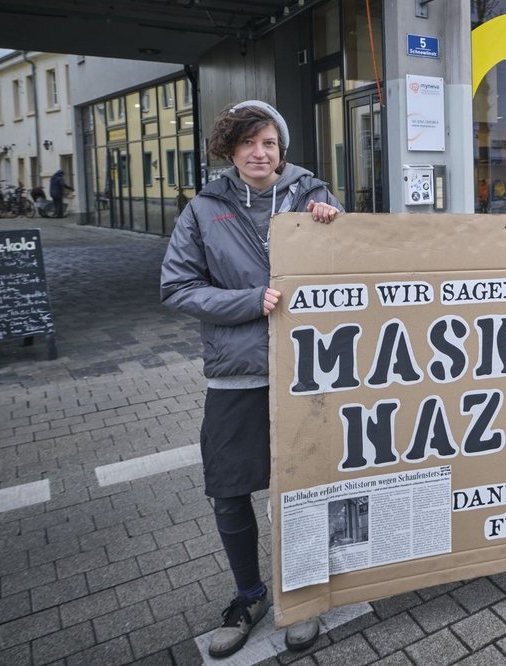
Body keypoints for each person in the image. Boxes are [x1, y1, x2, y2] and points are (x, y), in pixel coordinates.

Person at [160, 100, 342, 659]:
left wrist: (334, 229)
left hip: (309, 370)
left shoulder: (315, 194)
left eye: (268, 143)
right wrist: (247, 302)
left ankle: (303, 594)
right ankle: (248, 594)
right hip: (237, 374)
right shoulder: (203, 209)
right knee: (229, 488)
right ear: (230, 149)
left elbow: (352, 271)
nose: (259, 153)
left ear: (281, 148)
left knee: (305, 483)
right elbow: (177, 287)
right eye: (247, 143)